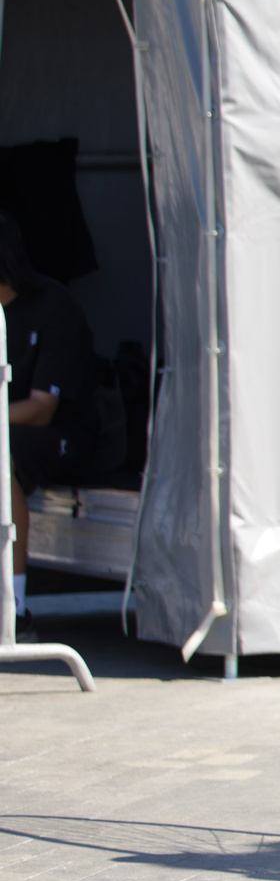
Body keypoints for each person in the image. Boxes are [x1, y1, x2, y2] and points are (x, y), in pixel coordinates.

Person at [3, 214, 93, 629]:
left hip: (65, 435)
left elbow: (41, 409)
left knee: (1, 456)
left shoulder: (52, 305)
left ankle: (14, 606)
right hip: (11, 427)